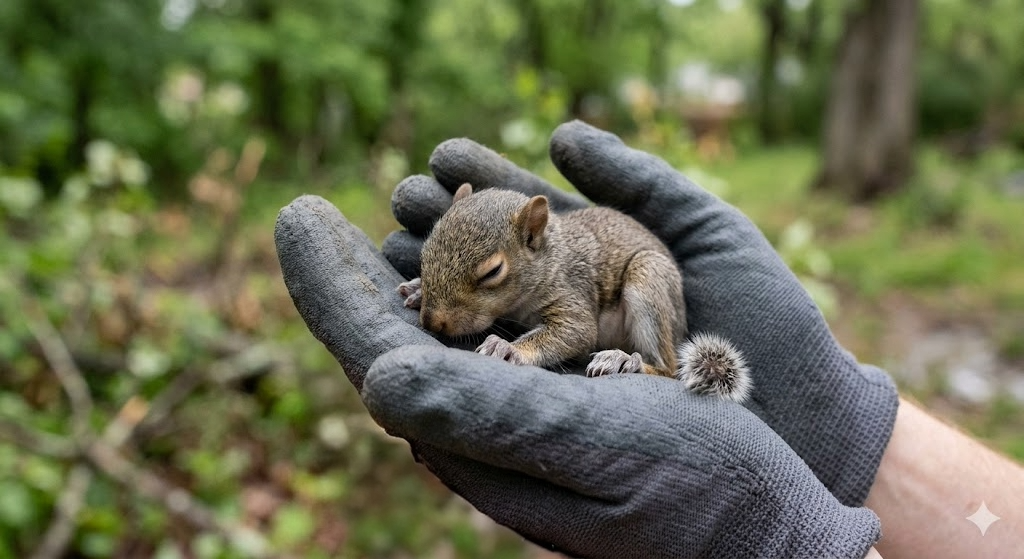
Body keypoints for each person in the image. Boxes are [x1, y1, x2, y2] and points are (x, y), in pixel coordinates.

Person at [274, 121, 1024, 558]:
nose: (456, 308)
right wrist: (435, 293)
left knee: (643, 281)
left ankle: (659, 365)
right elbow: (455, 275)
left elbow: (571, 327)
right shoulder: (489, 256)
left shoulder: (559, 271)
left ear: (533, 234)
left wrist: (523, 350)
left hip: (625, 295)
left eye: (490, 277)